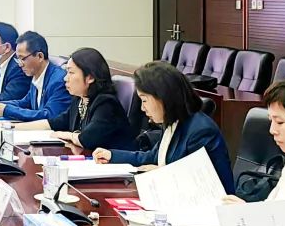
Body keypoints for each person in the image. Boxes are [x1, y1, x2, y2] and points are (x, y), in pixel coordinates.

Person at [94, 61, 236, 193]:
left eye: (144, 100)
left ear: (163, 97)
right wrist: (112, 156)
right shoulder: (174, 122)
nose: (142, 108)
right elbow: (153, 157)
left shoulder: (201, 131)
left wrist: (161, 173)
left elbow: (200, 184)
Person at [14, 48, 137, 151]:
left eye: (71, 73)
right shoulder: (79, 99)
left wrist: (64, 135)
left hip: (116, 167)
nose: (65, 78)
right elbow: (54, 123)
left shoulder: (106, 104)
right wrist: (12, 128)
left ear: (90, 77)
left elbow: (86, 139)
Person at [0, 31, 72, 122]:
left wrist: (6, 110)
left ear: (40, 56)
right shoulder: (36, 75)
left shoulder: (58, 80)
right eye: (18, 59)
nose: (20, 64)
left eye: (22, 59)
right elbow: (25, 102)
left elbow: (49, 115)